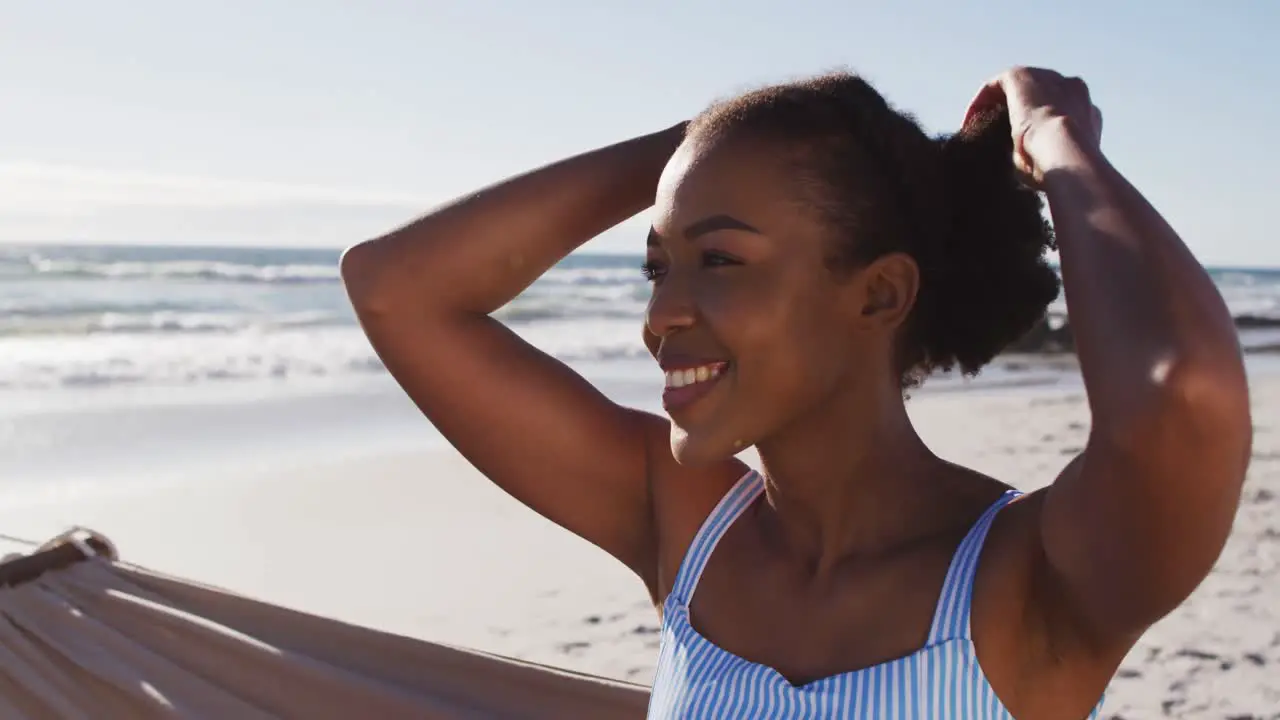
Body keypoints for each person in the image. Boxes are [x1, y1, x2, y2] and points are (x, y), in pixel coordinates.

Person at [339, 66, 1252, 719]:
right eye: (658, 268)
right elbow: (394, 288)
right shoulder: (690, 528)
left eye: (719, 261)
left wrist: (1053, 140)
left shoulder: (1031, 582)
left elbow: (1186, 396)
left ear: (879, 293)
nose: (661, 317)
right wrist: (711, 142)